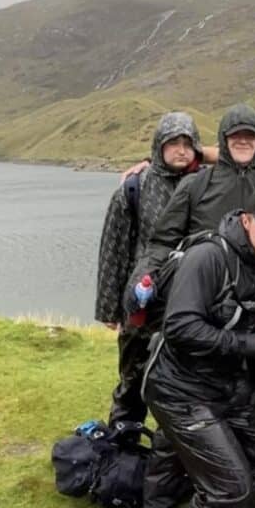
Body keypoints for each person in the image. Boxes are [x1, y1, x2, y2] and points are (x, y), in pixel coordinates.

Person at [136, 187, 255, 508]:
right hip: (177, 388)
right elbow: (179, 326)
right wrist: (245, 347)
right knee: (229, 486)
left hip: (228, 385)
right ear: (247, 220)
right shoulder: (208, 257)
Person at [94, 112, 202, 427]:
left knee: (185, 386)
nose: (181, 150)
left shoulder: (206, 183)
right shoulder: (135, 188)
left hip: (189, 303)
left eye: (188, 143)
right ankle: (121, 446)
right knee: (133, 383)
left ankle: (175, 453)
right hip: (141, 304)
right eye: (173, 143)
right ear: (159, 146)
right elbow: (113, 250)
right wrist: (109, 310)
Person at [125, 103, 255, 312]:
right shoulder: (195, 184)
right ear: (223, 139)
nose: (243, 141)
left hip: (253, 302)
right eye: (235, 135)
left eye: (250, 135)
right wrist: (142, 279)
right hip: (199, 298)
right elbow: (162, 242)